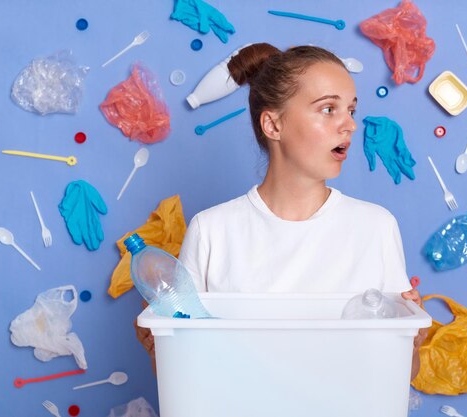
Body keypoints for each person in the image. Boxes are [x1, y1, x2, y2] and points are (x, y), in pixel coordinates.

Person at [135, 43, 426, 377]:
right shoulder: (211, 231)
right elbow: (186, 377)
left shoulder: (376, 226)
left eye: (351, 110)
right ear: (273, 125)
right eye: (329, 109)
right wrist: (160, 350)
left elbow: (403, 374)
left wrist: (412, 344)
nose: (350, 125)